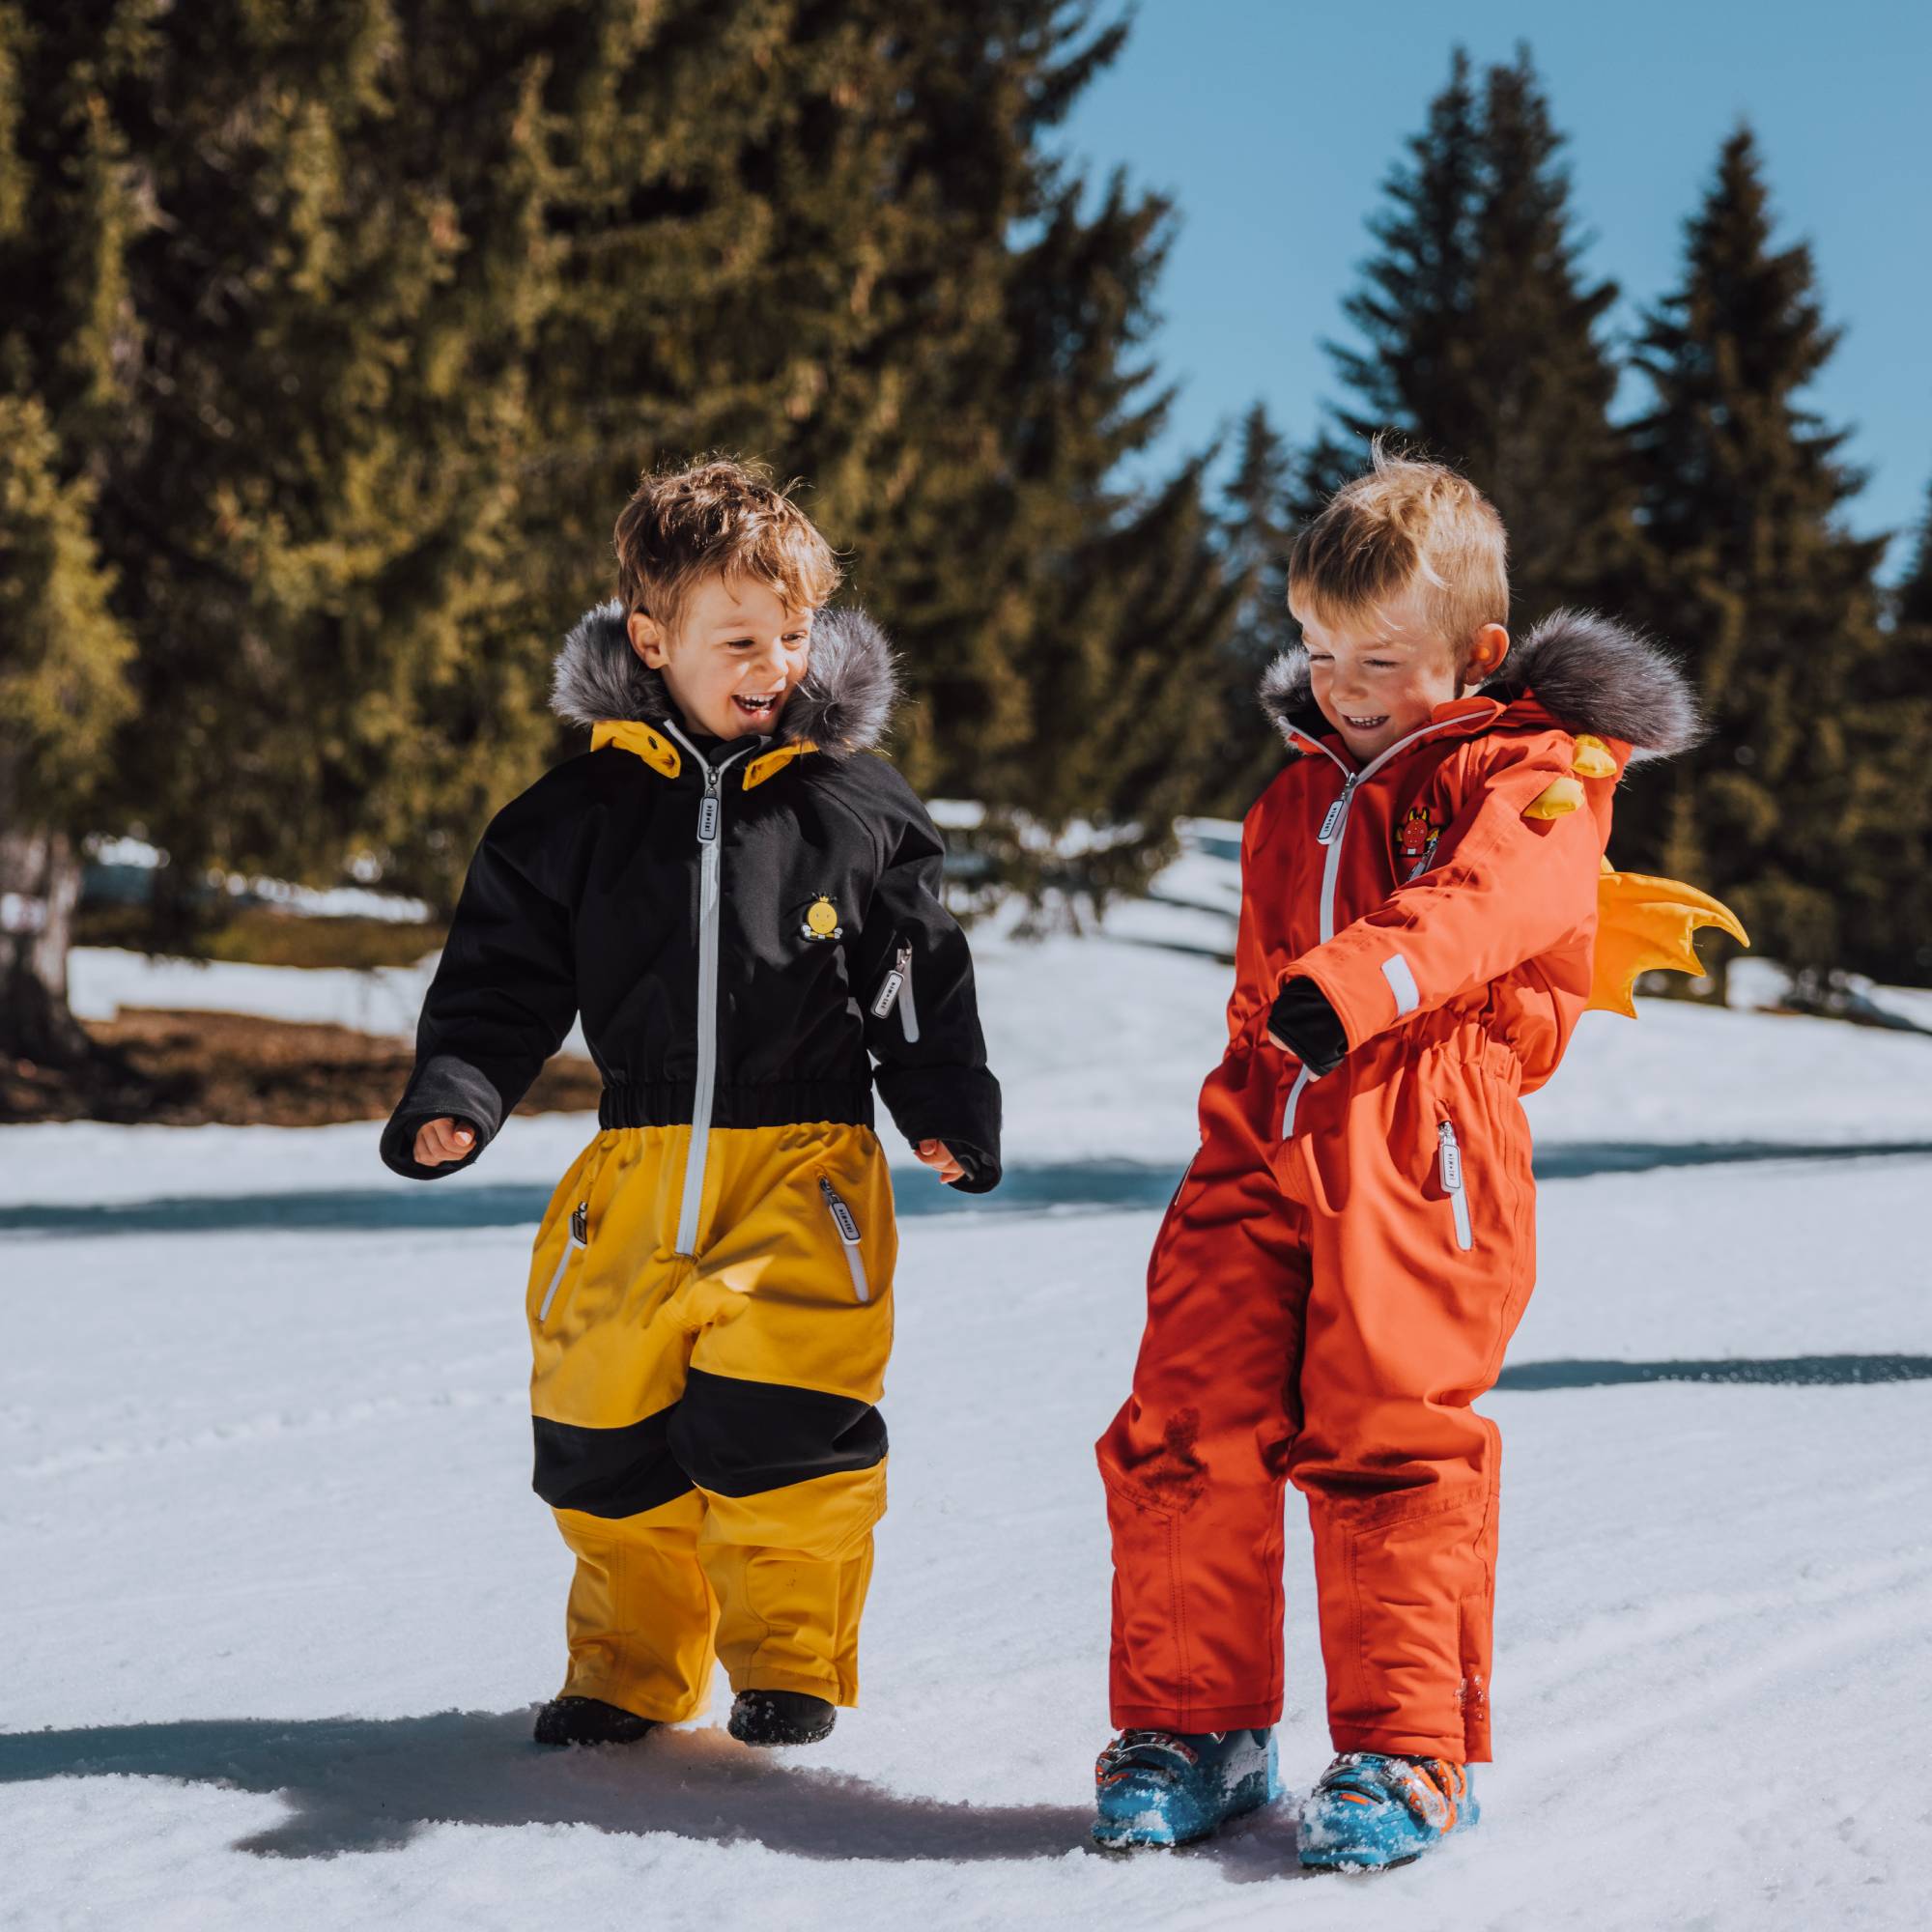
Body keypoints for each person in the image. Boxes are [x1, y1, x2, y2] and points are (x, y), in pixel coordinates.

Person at [1092, 446, 1737, 1869]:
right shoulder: (1293, 793)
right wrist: (1265, 1068)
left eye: (1379, 659)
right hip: (1262, 1115)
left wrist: (1365, 986)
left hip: (1422, 1128)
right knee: (1185, 1410)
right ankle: (1197, 1725)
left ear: (1477, 653)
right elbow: (1267, 977)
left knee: (1388, 1427)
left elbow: (1496, 898)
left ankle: (1406, 1749)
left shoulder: (1539, 773)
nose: (1342, 685)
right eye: (1319, 651)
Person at [381, 458, 1001, 1750]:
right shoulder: (576, 815)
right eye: (740, 638)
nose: (774, 662)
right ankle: (626, 1665)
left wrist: (939, 1102)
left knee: (789, 1430)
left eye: (793, 633)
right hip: (635, 1168)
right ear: (651, 640)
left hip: (806, 1169)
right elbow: (502, 977)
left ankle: (788, 1661)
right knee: (604, 1429)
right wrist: (459, 1091)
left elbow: (910, 973)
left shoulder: (857, 808)